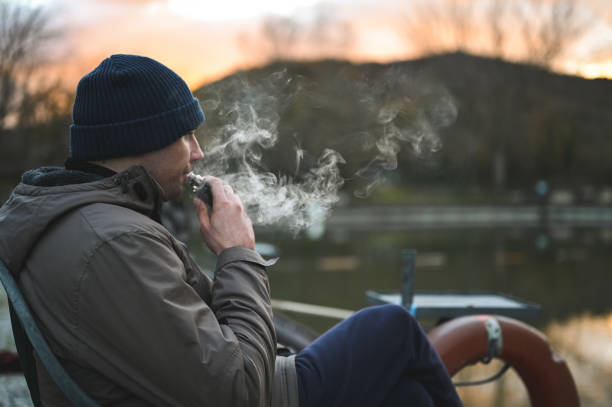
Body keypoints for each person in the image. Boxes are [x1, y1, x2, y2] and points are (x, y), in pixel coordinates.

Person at [0, 54, 462, 407]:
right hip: (254, 392)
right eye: (185, 135)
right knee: (392, 327)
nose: (197, 153)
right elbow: (238, 390)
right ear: (140, 141)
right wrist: (238, 253)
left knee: (408, 397)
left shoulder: (86, 223)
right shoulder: (111, 241)